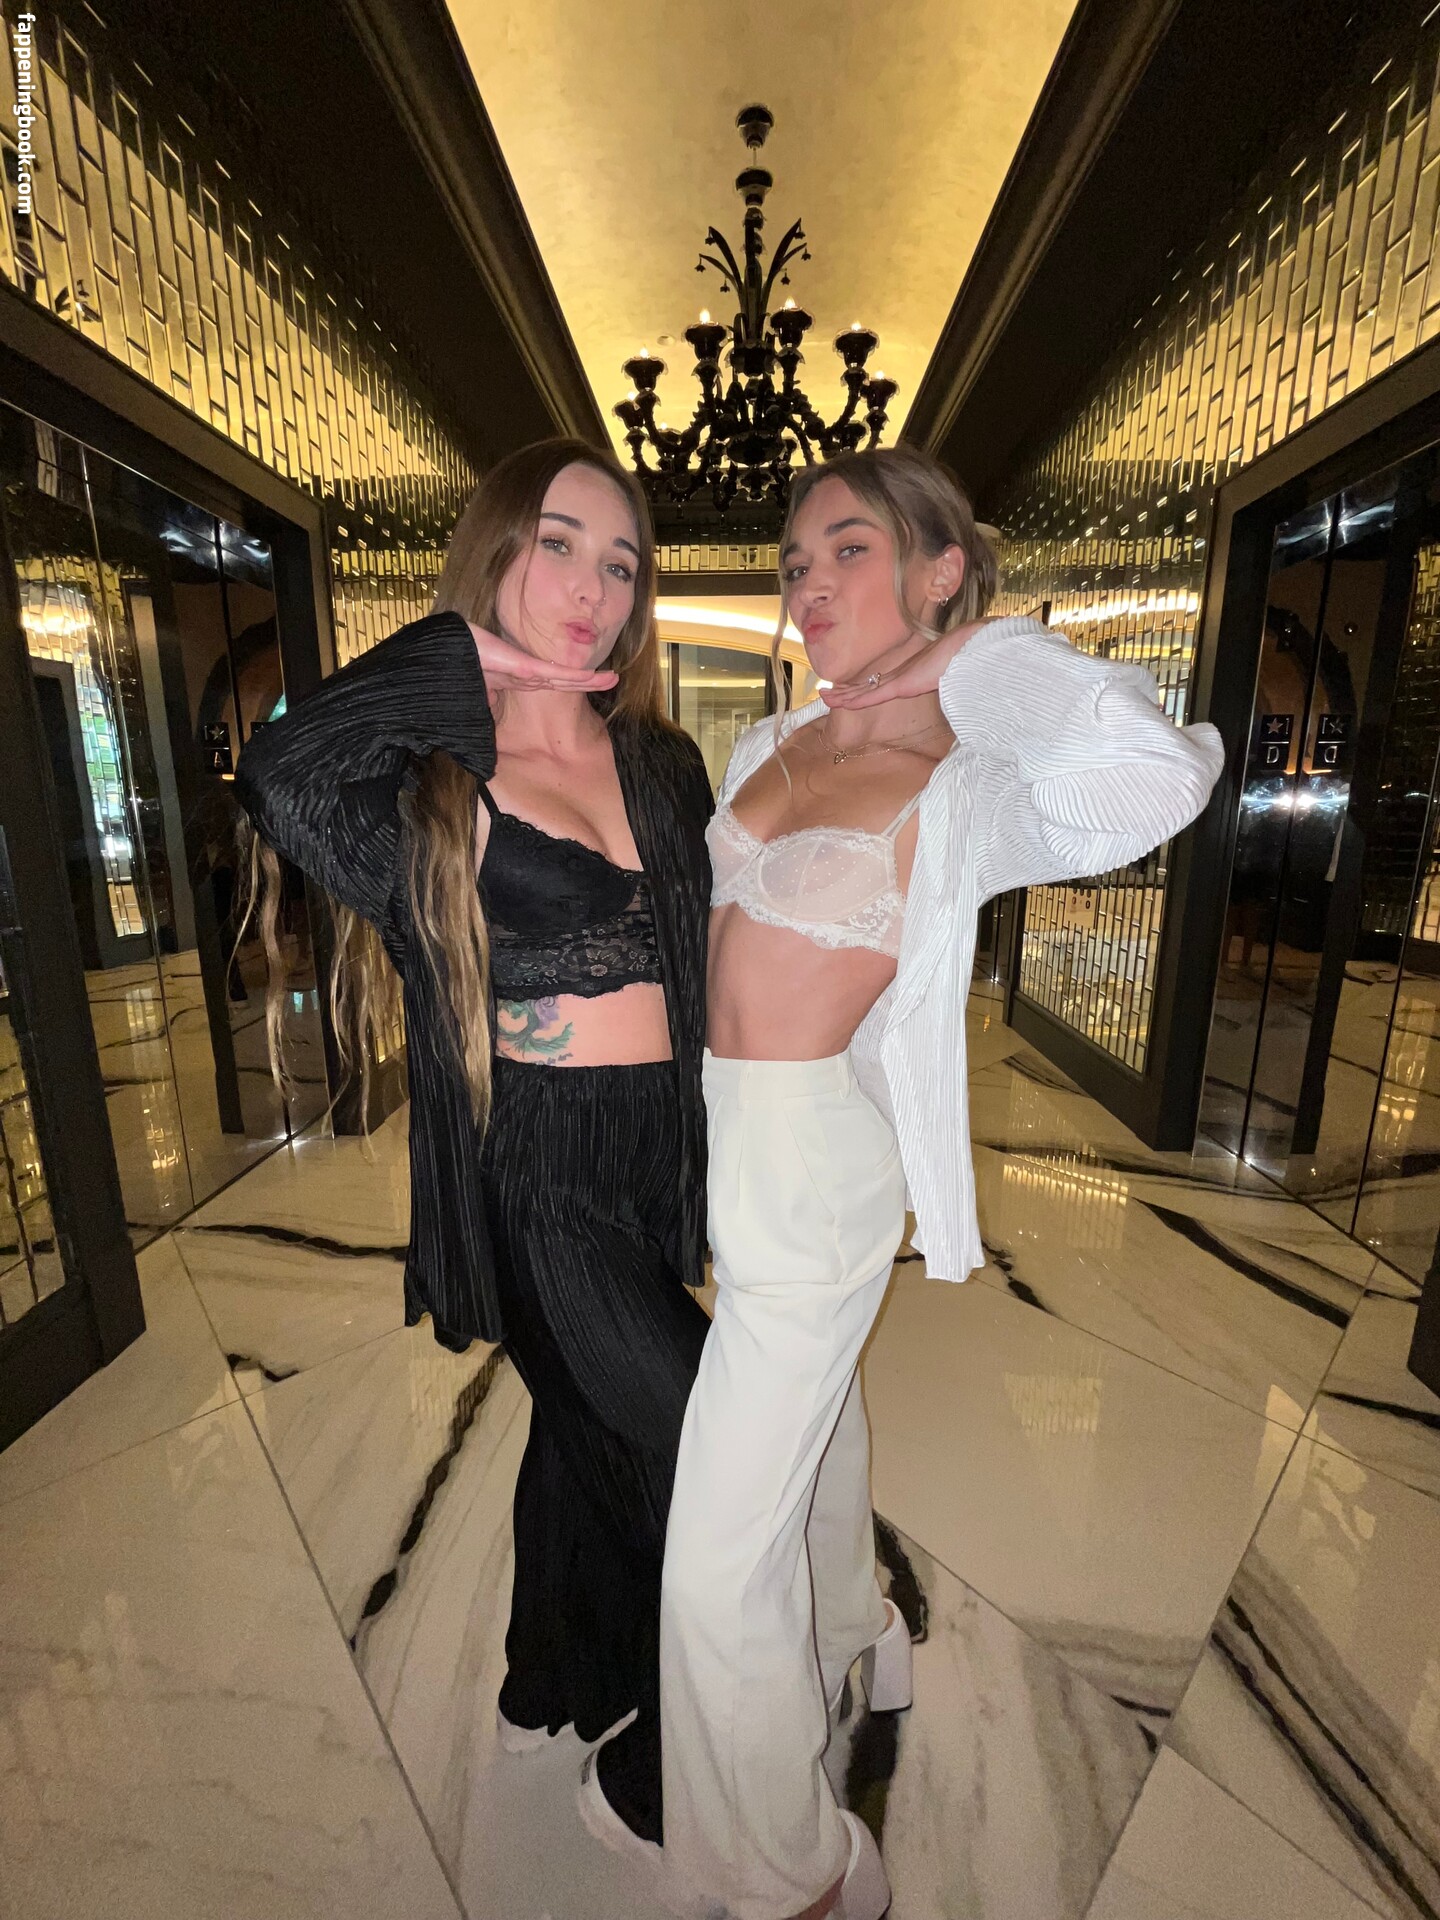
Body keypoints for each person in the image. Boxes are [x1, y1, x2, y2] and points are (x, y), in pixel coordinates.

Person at [582, 446, 1225, 1920]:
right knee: (811, 1421)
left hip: (815, 1170)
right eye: (796, 563)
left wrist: (966, 660)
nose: (810, 586)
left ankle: (793, 1874)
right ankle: (861, 1637)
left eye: (850, 552)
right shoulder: (774, 742)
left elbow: (1159, 770)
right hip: (723, 1144)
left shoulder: (967, 780)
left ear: (939, 571)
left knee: (713, 1555)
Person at [234, 440, 712, 1802]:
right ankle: (674, 1772)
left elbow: (712, 953)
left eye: (620, 563)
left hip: (654, 1154)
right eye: (556, 545)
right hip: (538, 1173)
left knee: (582, 1418)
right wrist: (466, 661)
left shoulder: (662, 760)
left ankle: (551, 1675)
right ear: (495, 553)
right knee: (701, 1448)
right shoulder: (435, 784)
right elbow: (282, 774)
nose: (592, 590)